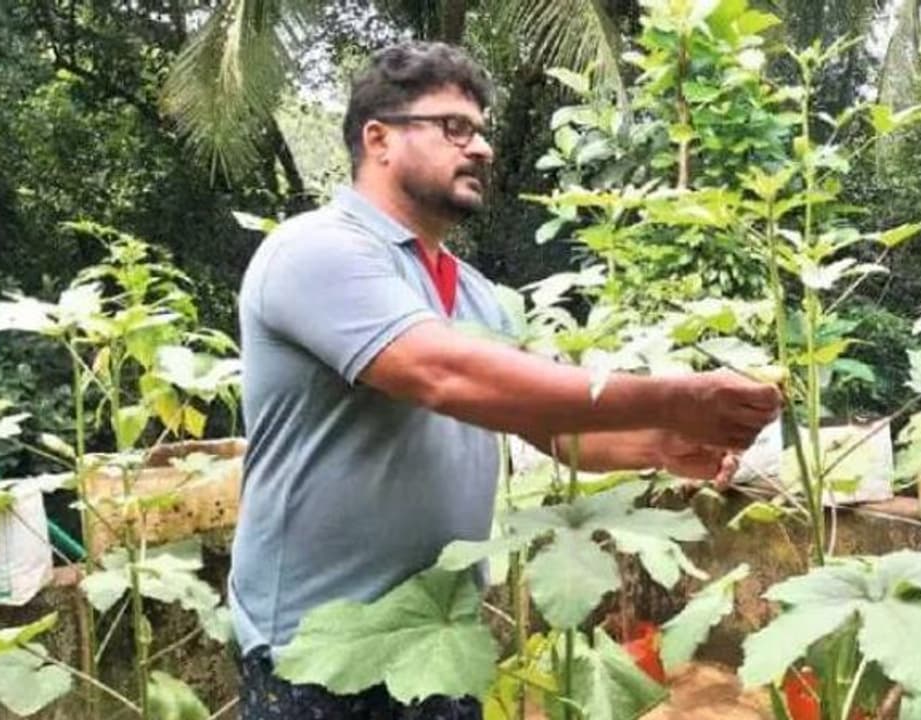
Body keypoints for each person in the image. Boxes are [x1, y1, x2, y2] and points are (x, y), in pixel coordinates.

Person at [229, 41, 782, 720]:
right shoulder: (317, 250)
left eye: (482, 129)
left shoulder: (477, 295)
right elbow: (442, 373)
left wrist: (663, 444)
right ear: (379, 139)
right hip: (320, 645)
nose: (483, 147)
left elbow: (544, 426)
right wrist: (673, 396)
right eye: (455, 126)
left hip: (443, 630)